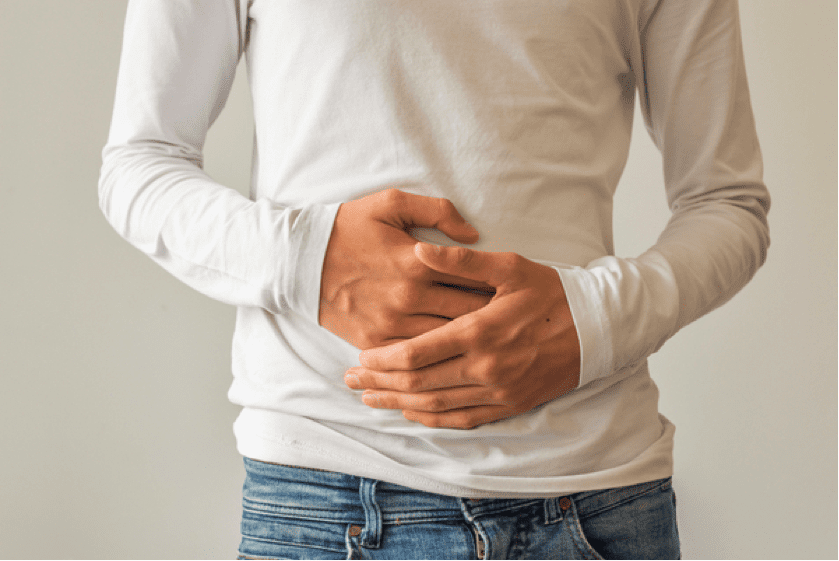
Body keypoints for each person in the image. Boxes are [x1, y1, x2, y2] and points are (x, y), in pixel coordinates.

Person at [99, 0, 770, 558]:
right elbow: (139, 162)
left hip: (595, 495)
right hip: (327, 492)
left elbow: (726, 203)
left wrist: (592, 321)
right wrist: (308, 261)